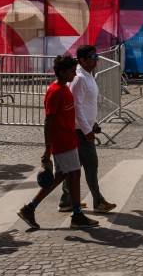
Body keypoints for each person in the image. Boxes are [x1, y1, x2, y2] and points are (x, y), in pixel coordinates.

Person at [17, 54, 98, 230]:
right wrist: (47, 149)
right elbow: (49, 121)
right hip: (62, 141)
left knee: (62, 175)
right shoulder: (55, 92)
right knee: (75, 175)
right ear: (61, 72)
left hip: (69, 138)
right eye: (71, 71)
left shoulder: (65, 88)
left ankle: (29, 208)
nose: (74, 75)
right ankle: (77, 215)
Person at [58, 44, 115, 213]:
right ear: (81, 60)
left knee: (75, 167)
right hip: (79, 130)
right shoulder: (79, 79)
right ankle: (98, 201)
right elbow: (76, 107)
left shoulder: (88, 76)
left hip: (85, 127)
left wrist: (94, 122)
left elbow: (88, 105)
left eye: (95, 55)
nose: (96, 58)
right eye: (91, 57)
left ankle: (66, 200)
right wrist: (87, 130)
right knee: (91, 165)